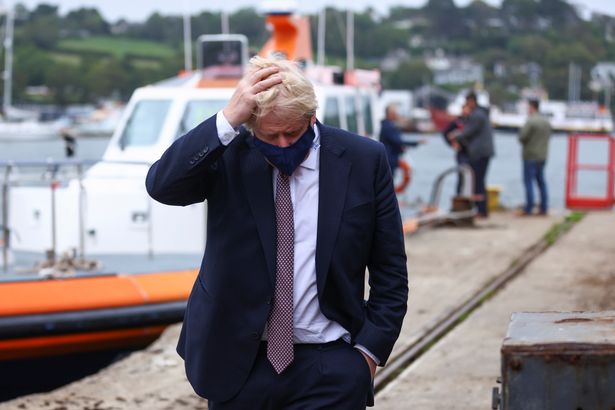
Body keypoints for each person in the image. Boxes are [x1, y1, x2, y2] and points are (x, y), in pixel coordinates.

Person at [146, 56, 408, 409]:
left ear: (311, 116)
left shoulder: (364, 160)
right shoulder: (228, 155)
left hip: (330, 364)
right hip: (238, 364)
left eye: (293, 133)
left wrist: (368, 353)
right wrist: (227, 119)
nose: (283, 146)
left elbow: (390, 268)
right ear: (252, 126)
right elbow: (163, 186)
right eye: (271, 136)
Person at [448, 92, 495, 217]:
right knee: (479, 181)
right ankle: (480, 209)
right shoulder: (482, 114)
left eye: (467, 102)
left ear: (472, 101)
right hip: (483, 152)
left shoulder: (477, 115)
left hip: (479, 153)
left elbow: (468, 132)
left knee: (478, 182)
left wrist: (455, 135)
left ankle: (481, 210)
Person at [518, 99, 551, 215]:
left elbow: (522, 137)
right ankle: (544, 207)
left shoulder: (531, 121)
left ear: (532, 107)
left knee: (528, 182)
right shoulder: (546, 122)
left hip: (530, 155)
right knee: (541, 182)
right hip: (542, 156)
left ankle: (529, 207)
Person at [379, 104, 425, 174]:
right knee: (389, 179)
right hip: (389, 158)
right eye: (395, 113)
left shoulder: (388, 125)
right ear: (390, 114)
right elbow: (397, 141)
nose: (397, 114)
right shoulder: (388, 126)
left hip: (390, 157)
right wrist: (416, 142)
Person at [442, 103, 471, 195]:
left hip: (472, 152)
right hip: (461, 152)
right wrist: (452, 144)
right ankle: (459, 196)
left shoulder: (472, 121)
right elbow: (445, 133)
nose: (466, 111)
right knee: (461, 175)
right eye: (465, 109)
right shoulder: (457, 122)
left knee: (472, 177)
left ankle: (469, 197)